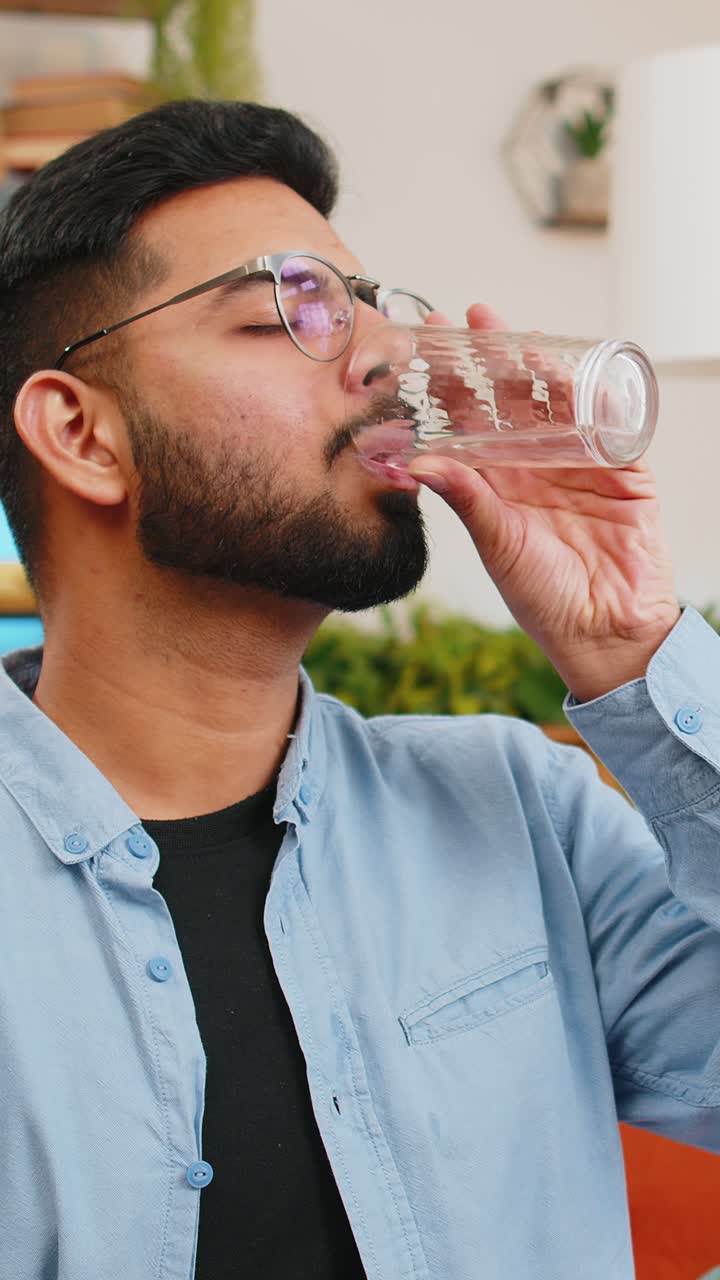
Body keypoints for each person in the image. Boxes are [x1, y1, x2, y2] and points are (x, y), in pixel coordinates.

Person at [0, 98, 716, 1280]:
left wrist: (636, 647)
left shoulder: (519, 810)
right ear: (82, 432)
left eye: (373, 302)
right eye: (291, 306)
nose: (385, 353)